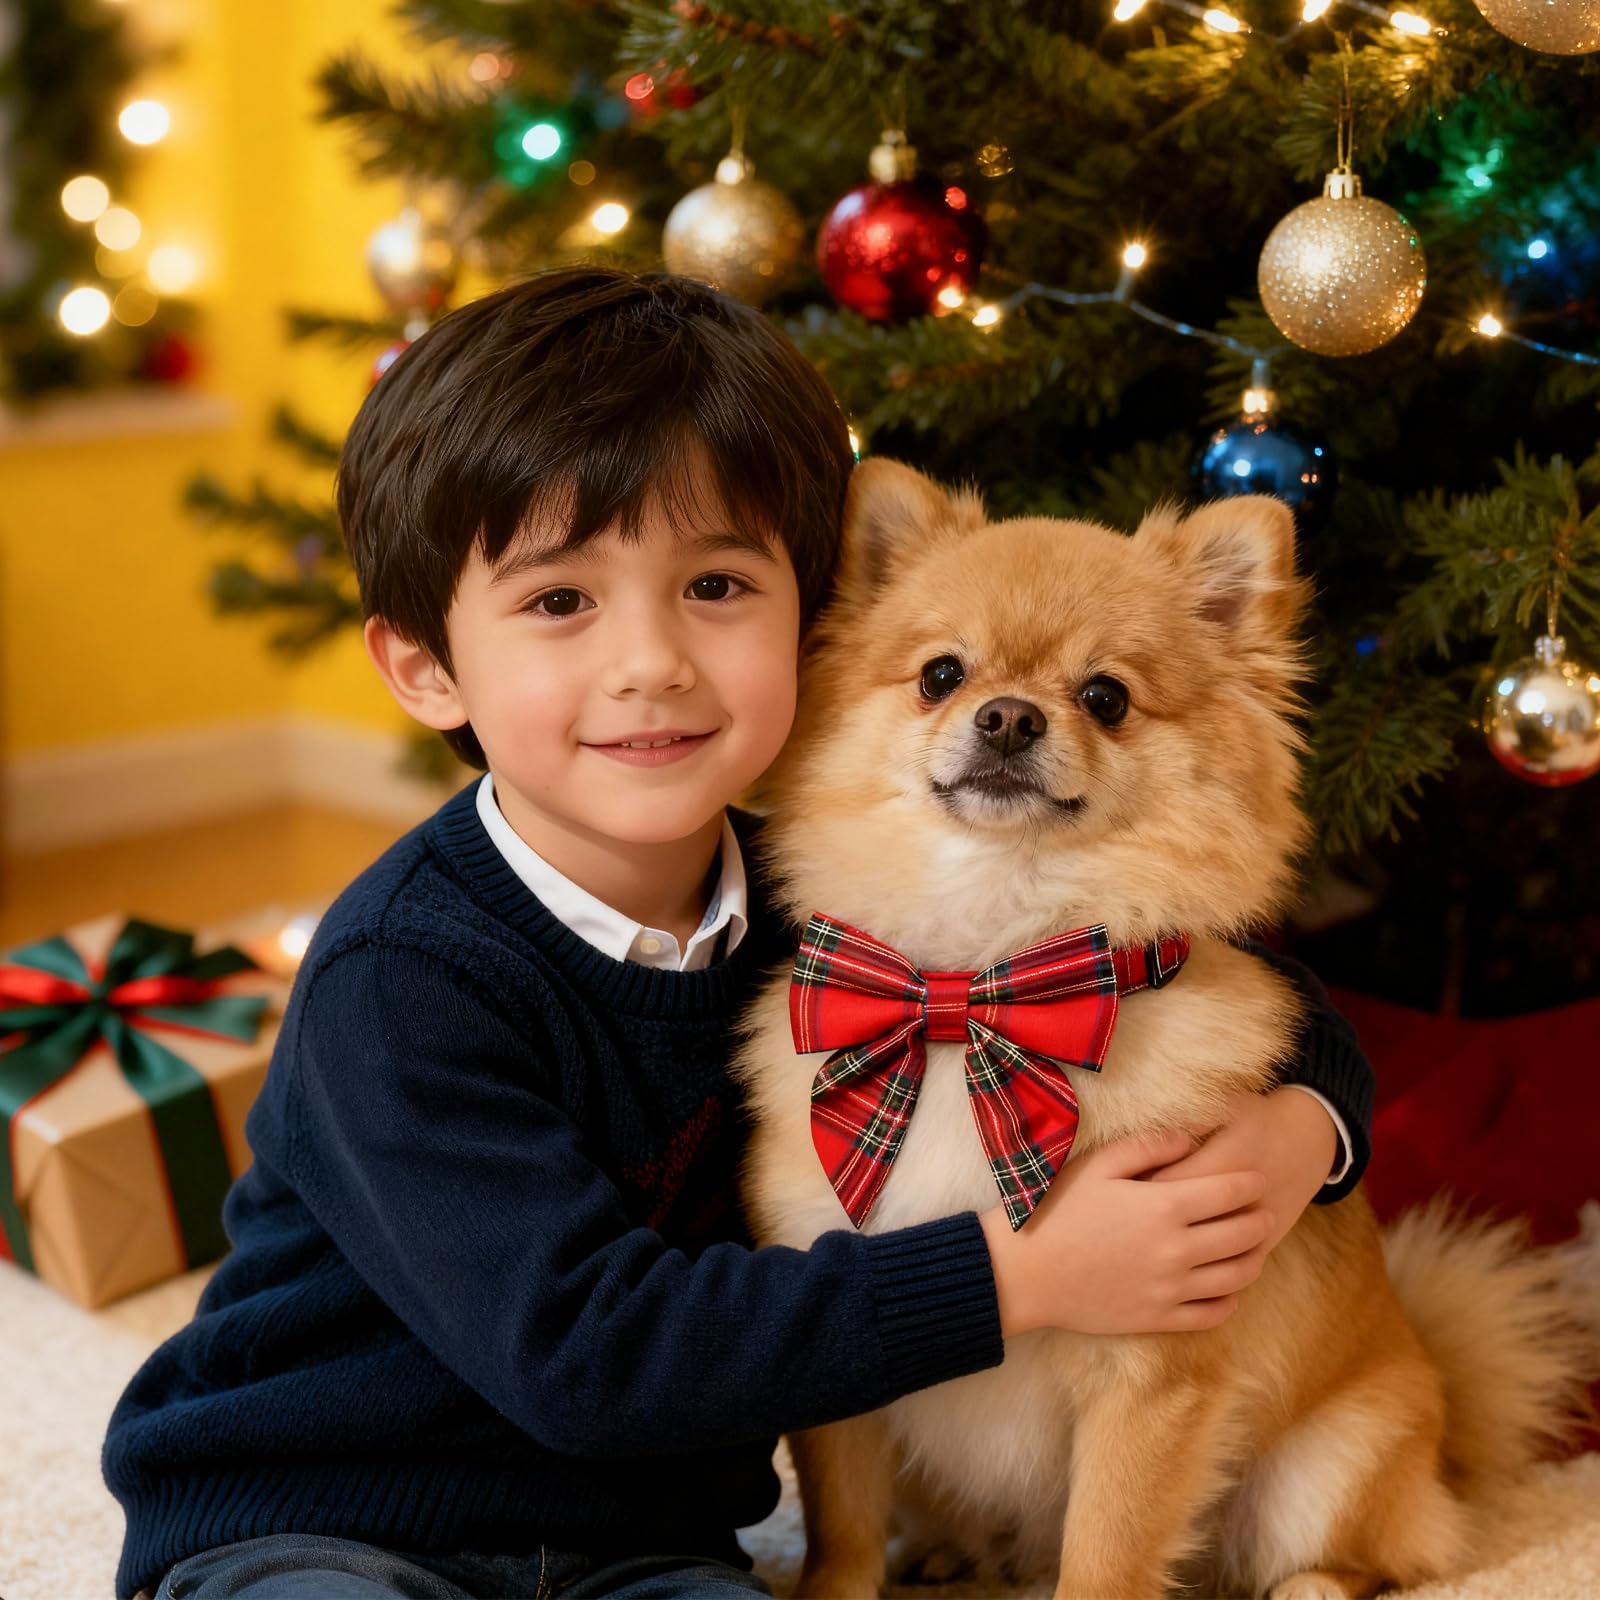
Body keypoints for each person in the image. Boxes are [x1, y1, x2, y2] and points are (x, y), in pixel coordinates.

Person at [102, 268, 1374, 1600]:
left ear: (814, 614)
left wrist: (1305, 1134)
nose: (650, 661)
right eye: (559, 603)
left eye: (714, 586)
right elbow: (589, 1355)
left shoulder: (823, 904)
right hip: (326, 1510)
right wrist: (1028, 1276)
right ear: (427, 666)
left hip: (635, 1543)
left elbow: (1239, 992)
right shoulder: (400, 978)